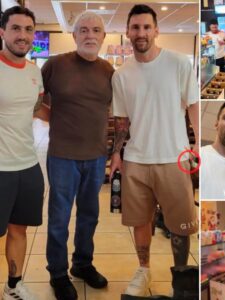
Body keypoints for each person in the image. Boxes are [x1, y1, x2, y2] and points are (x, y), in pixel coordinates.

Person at [110, 4, 199, 297]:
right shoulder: (121, 75)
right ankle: (144, 270)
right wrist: (116, 154)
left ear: (156, 30)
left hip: (174, 157)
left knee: (181, 226)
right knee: (139, 221)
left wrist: (198, 143)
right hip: (136, 160)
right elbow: (122, 120)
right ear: (128, 32)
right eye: (135, 27)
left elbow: (193, 104)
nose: (141, 33)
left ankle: (182, 280)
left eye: (147, 27)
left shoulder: (178, 64)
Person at [38, 11, 114, 300]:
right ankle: (58, 273)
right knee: (59, 218)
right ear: (74, 35)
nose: (89, 35)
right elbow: (37, 101)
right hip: (62, 156)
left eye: (95, 30)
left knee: (89, 216)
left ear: (103, 37)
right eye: (83, 29)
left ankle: (82, 264)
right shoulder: (55, 65)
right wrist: (56, 119)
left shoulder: (108, 70)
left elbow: (113, 112)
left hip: (96, 157)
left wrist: (114, 151)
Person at [0, 6, 44, 300]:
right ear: (2, 32)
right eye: (16, 28)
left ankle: (13, 285)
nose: (23, 35)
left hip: (28, 166)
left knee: (19, 230)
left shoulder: (33, 72)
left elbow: (36, 108)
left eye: (28, 30)